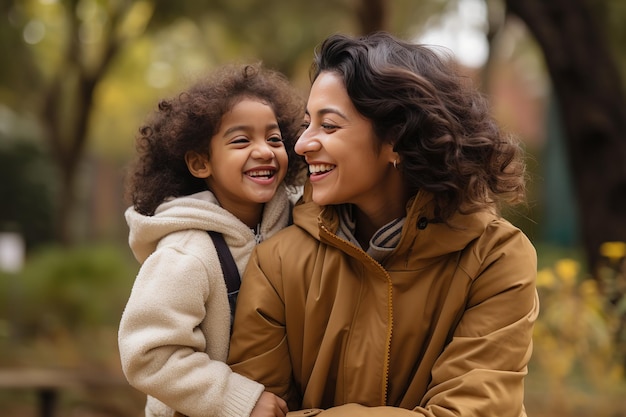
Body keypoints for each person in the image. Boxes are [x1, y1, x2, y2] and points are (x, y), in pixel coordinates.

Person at [227, 32, 539, 417]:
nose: (302, 144)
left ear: (396, 139)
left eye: (329, 126)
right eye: (308, 124)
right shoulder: (276, 263)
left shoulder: (496, 258)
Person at [118, 62, 306, 417]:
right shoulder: (187, 252)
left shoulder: (296, 226)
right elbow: (148, 354)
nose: (264, 150)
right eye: (241, 140)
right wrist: (238, 400)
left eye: (274, 138)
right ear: (201, 163)